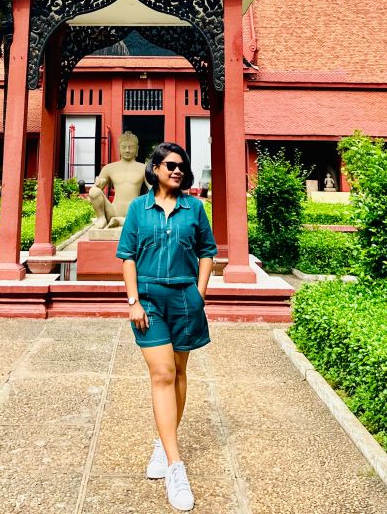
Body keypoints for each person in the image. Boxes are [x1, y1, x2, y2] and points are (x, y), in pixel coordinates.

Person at [116, 142, 217, 512]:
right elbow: (127, 256)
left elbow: (208, 251)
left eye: (182, 166)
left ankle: (164, 440)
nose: (177, 170)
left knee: (178, 372)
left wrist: (200, 293)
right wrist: (133, 301)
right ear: (154, 168)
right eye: (170, 165)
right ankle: (176, 466)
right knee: (161, 373)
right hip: (149, 301)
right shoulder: (138, 210)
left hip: (185, 299)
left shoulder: (195, 208)